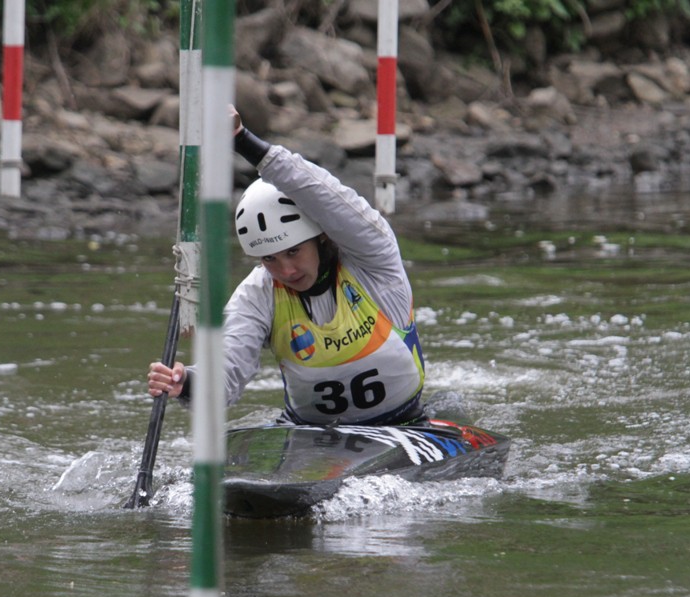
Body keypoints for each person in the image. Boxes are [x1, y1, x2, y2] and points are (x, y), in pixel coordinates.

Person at [147, 109, 460, 426]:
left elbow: (322, 193)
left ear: (321, 236)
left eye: (293, 252)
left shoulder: (373, 257)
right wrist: (187, 382)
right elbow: (226, 372)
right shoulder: (258, 294)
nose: (286, 271)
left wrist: (241, 139)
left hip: (403, 422)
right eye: (269, 259)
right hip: (308, 432)